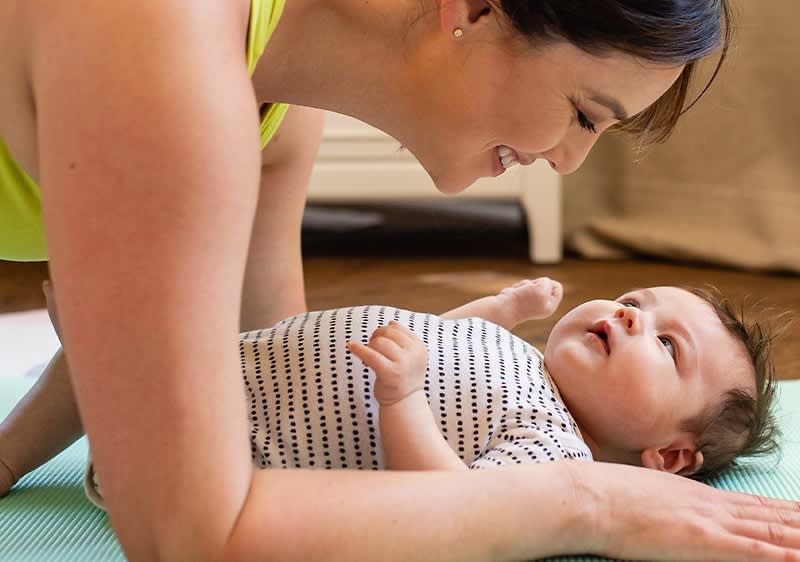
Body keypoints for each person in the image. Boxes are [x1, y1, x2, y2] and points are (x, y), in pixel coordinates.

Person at [2, 0, 800, 560]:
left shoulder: (271, 96)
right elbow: (192, 536)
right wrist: (592, 504)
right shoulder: (166, 56)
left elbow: (265, 370)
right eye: (585, 114)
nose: (568, 159)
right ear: (479, 9)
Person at [0, 277, 781, 506]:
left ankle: (106, 356)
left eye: (664, 344)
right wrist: (497, 312)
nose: (626, 315)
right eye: (635, 302)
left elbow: (449, 505)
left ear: (670, 454)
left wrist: (404, 404)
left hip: (223, 444)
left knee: (122, 365)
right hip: (231, 366)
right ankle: (20, 445)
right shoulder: (523, 360)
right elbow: (434, 342)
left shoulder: (554, 450)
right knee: (126, 359)